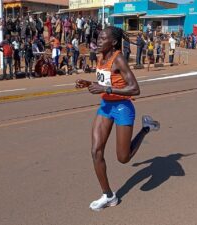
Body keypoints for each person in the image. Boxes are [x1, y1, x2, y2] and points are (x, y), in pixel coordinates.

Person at [75, 26, 160, 211]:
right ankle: (109, 195)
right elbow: (106, 83)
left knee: (123, 158)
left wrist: (106, 89)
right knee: (96, 151)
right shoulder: (101, 57)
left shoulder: (118, 59)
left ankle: (146, 128)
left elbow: (135, 89)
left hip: (122, 108)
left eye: (102, 38)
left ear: (113, 42)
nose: (98, 40)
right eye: (98, 37)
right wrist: (89, 84)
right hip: (106, 107)